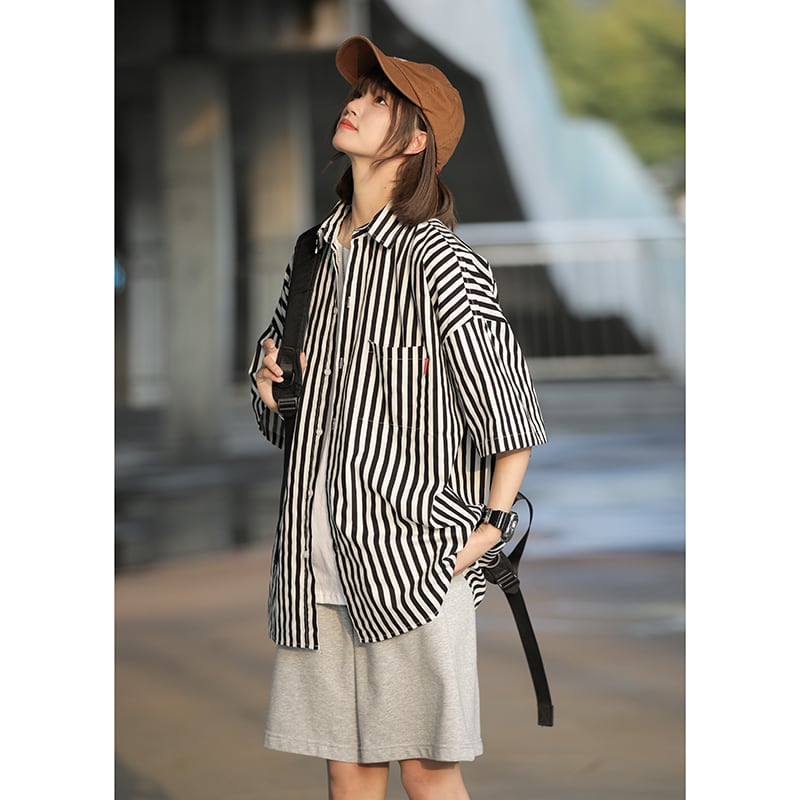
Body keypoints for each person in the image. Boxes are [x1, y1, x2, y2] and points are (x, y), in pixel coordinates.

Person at [249, 35, 547, 800]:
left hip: (409, 563)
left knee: (425, 770)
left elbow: (509, 406)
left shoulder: (437, 259)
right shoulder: (311, 255)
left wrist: (491, 524)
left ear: (417, 141)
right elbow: (288, 426)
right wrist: (270, 389)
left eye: (380, 100)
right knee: (347, 770)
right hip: (314, 564)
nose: (355, 104)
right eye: (359, 93)